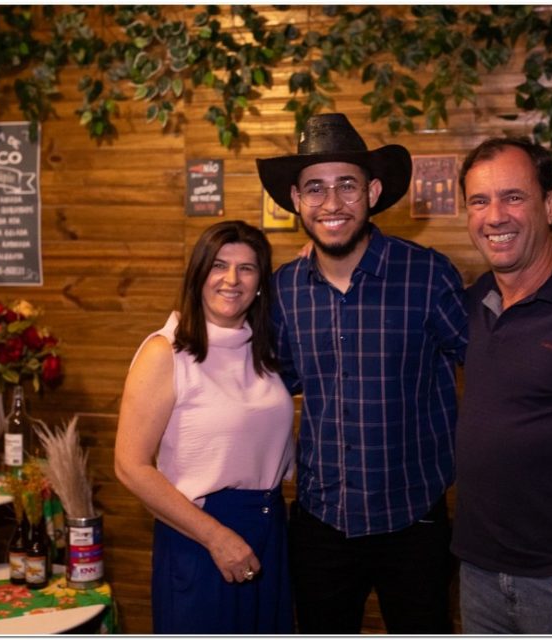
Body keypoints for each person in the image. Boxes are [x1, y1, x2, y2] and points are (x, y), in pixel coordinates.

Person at [256, 113, 468, 633]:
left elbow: (489, 371)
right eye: (315, 188)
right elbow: (272, 386)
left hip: (414, 520)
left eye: (347, 185)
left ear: (372, 192)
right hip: (321, 523)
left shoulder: (427, 275)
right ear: (296, 199)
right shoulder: (284, 290)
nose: (331, 203)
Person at [451, 136, 552, 633]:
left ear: (551, 203)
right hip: (478, 577)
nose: (494, 216)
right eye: (479, 201)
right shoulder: (473, 303)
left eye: (513, 197)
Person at [114, 220, 295, 634]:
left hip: (269, 529)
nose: (232, 279)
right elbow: (130, 466)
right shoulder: (166, 352)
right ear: (198, 274)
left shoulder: (263, 350)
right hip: (201, 534)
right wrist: (216, 537)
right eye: (218, 265)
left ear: (260, 284)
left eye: (247, 268)